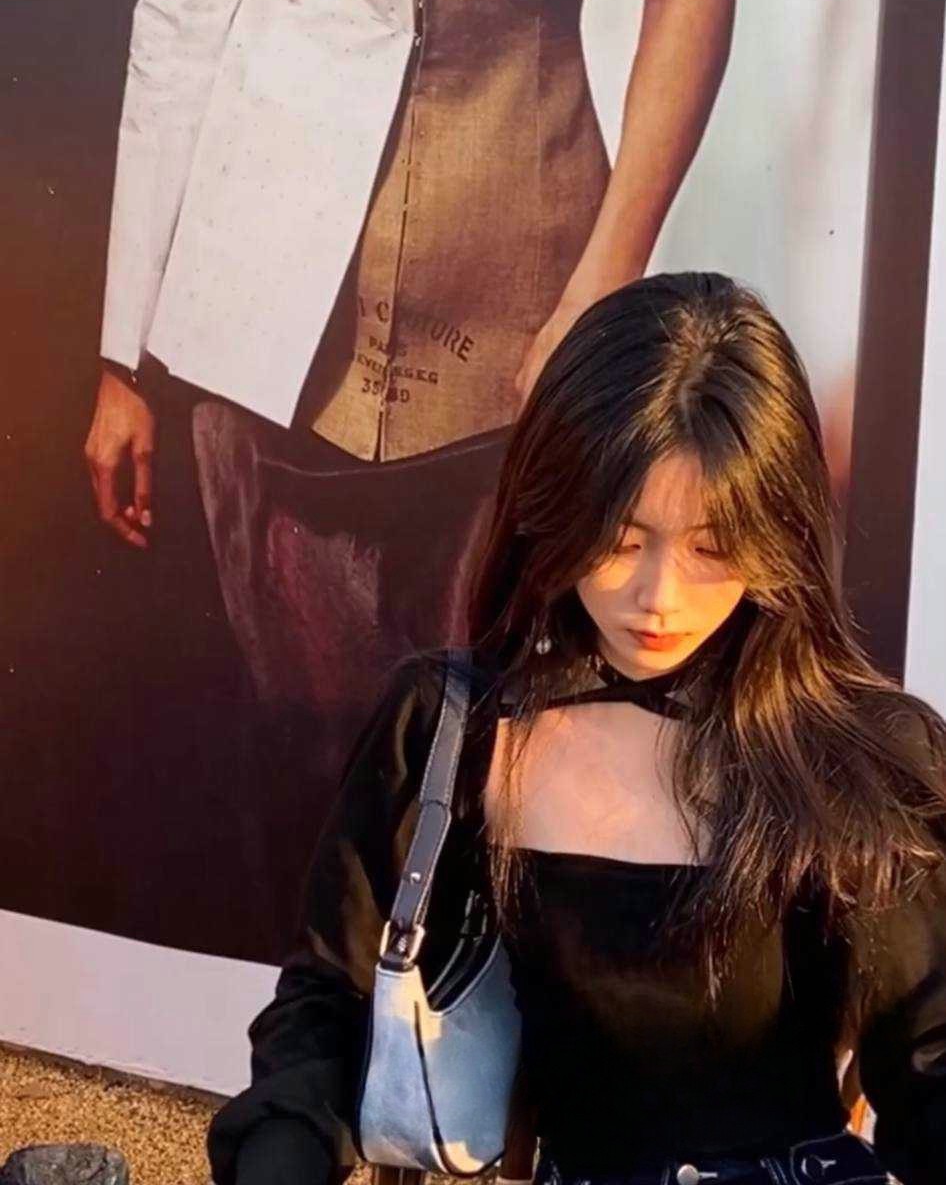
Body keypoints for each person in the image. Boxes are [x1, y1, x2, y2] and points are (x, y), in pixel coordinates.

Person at [205, 273, 946, 1185]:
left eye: (715, 546)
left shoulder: (863, 753)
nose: (659, 597)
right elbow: (331, 1005)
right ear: (552, 509)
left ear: (778, 534)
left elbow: (932, 1061)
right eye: (621, 540)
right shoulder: (456, 730)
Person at [84, 0, 737, 782]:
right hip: (260, 318)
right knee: (300, 766)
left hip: (522, 312)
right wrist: (125, 353)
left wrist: (599, 291)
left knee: (495, 765)